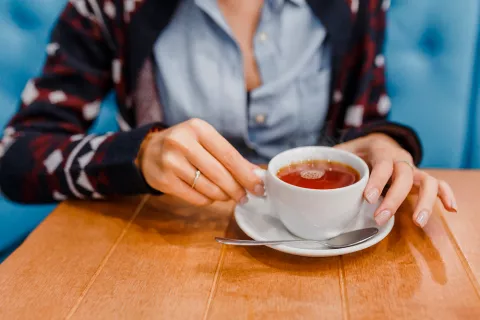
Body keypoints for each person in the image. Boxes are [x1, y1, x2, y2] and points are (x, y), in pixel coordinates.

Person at [0, 0, 456, 228]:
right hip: (162, 244)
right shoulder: (111, 7)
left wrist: (384, 143)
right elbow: (16, 158)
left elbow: (366, 125)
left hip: (318, 250)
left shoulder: (355, 5)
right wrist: (138, 155)